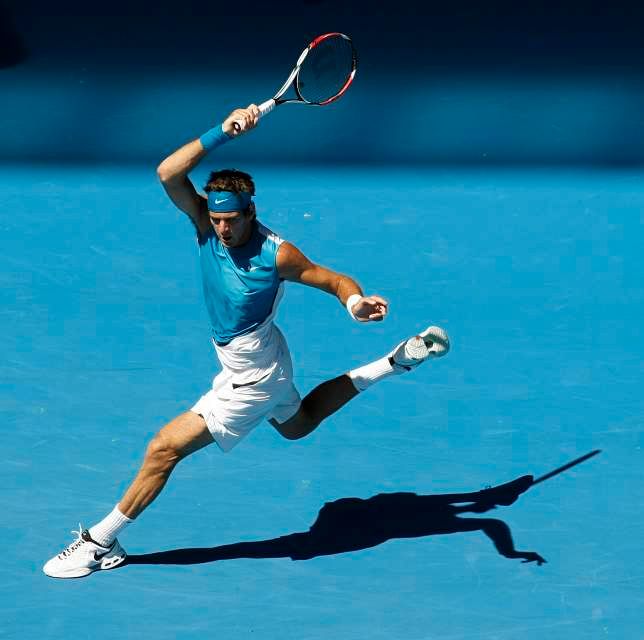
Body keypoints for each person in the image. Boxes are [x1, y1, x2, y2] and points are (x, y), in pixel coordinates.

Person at [43, 104, 450, 579]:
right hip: (262, 357)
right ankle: (393, 363)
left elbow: (334, 279)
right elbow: (167, 173)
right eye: (216, 220)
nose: (223, 228)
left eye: (232, 219)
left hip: (253, 376)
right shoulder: (207, 229)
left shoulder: (278, 254)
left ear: (251, 211)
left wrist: (354, 302)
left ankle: (98, 542)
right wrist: (221, 132)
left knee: (163, 449)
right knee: (298, 425)